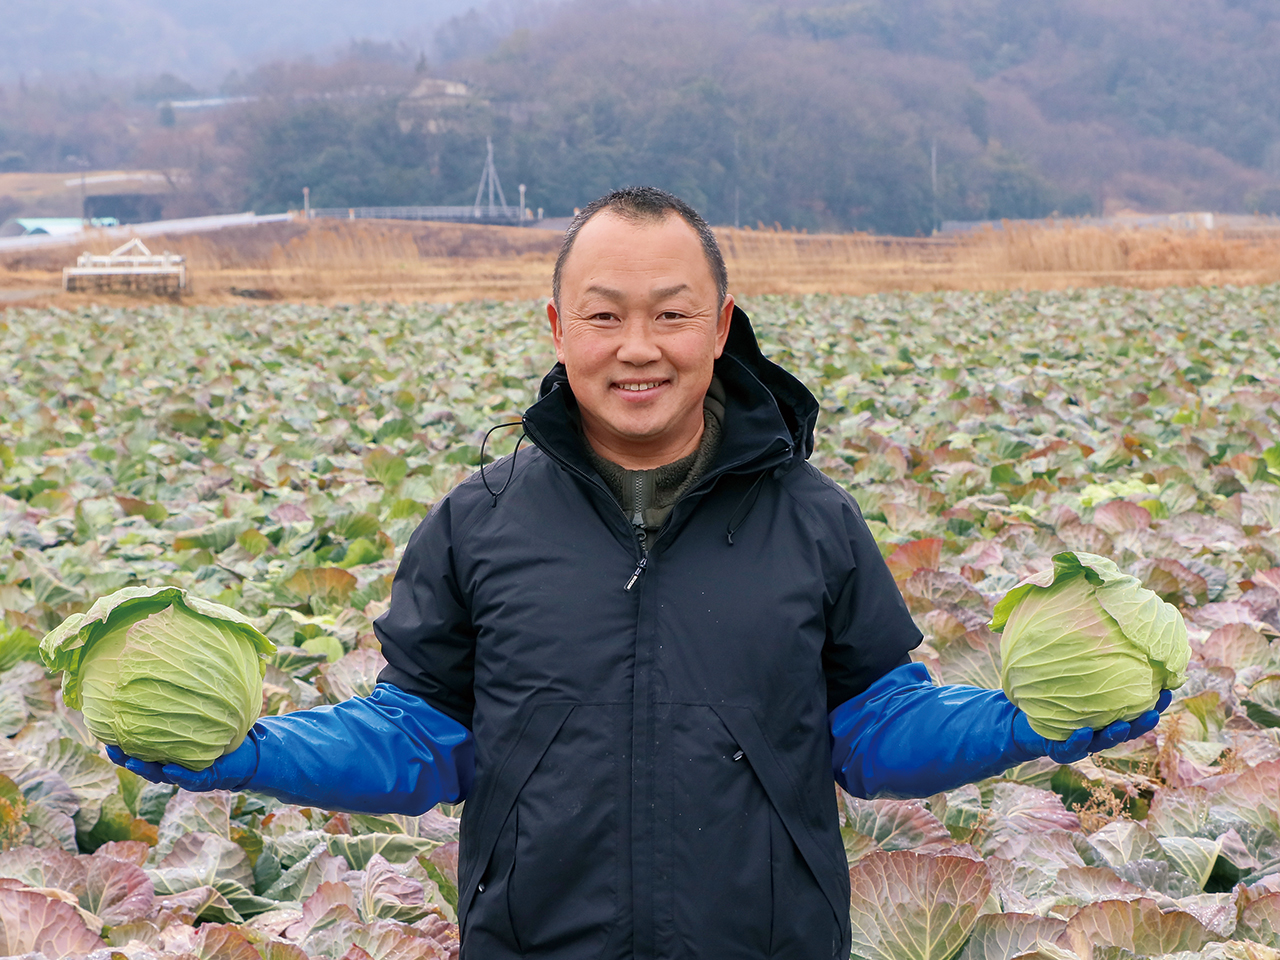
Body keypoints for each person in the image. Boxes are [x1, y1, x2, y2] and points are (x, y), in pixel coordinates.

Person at [112, 187, 1169, 959]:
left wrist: (1025, 725)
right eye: (604, 314)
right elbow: (417, 739)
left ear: (718, 330)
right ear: (557, 327)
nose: (637, 348)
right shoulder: (478, 522)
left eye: (669, 315)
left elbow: (873, 729)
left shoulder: (812, 520)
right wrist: (243, 755)